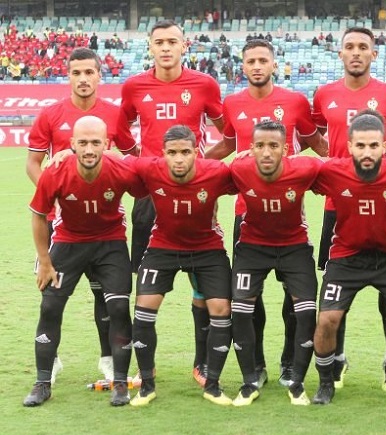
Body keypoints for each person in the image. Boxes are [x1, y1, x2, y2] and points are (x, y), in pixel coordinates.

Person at [205, 39, 327, 388]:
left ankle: (289, 362)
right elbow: (228, 145)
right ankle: (256, 365)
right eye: (251, 61)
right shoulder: (232, 103)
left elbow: (318, 145)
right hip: (246, 213)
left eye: (263, 60)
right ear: (242, 66)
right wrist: (197, 164)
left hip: (290, 216)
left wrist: (348, 165)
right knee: (247, 299)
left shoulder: (296, 102)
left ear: (274, 64)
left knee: (295, 299)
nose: (257, 66)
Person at [311, 27, 386, 390]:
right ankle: (336, 361)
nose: (356, 52)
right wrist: (332, 162)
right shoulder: (324, 94)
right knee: (335, 294)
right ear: (340, 53)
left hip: (383, 200)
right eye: (350, 46)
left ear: (374, 54)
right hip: (337, 204)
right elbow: (312, 135)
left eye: (363, 47)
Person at [119, 19, 224, 387]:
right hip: (152, 195)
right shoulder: (134, 86)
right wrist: (144, 164)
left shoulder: (204, 84)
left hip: (198, 194)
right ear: (150, 47)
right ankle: (144, 367)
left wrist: (202, 165)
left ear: (185, 45)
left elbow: (229, 135)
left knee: (203, 283)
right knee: (147, 284)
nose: (165, 47)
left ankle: (202, 364)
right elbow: (119, 130)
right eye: (159, 42)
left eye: (172, 41)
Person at [26, 47, 137, 384]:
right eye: (77, 73)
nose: (83, 79)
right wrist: (56, 193)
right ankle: (51, 360)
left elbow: (132, 159)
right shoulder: (50, 114)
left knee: (106, 295)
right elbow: (33, 163)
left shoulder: (115, 115)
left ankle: (108, 358)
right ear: (69, 76)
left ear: (100, 75)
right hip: (61, 222)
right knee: (50, 292)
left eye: (89, 72)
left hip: (105, 224)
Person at [129, 125, 236, 406]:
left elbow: (249, 175)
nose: (179, 159)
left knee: (221, 309)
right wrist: (67, 153)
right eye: (173, 153)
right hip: (162, 246)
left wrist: (251, 157)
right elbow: (112, 162)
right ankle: (147, 385)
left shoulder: (216, 172)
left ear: (196, 152)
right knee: (143, 308)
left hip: (207, 248)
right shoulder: (150, 168)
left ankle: (212, 385)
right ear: (163, 153)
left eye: (185, 152)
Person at [229, 121, 320, 406]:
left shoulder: (305, 168)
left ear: (286, 149)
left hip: (294, 247)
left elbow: (341, 172)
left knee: (306, 312)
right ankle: (250, 379)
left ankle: (296, 380)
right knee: (240, 310)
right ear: (250, 149)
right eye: (260, 146)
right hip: (252, 247)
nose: (266, 152)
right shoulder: (239, 169)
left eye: (273, 146)